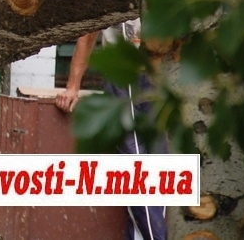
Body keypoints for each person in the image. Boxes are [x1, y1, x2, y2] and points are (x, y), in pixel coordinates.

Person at [55, 19, 167, 240]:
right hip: (122, 76)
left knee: (159, 173)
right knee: (136, 168)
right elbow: (88, 35)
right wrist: (72, 87)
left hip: (159, 77)